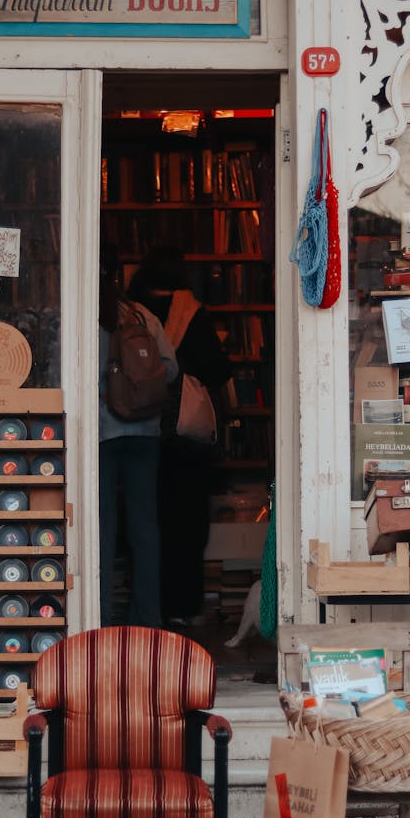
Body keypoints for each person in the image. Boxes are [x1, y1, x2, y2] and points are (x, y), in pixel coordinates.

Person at [127, 246, 232, 627]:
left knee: (144, 519)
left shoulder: (130, 309)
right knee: (188, 524)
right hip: (186, 434)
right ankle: (183, 606)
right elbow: (218, 370)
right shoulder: (192, 313)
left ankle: (144, 608)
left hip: (141, 426)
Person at [98, 242, 178, 628]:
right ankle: (149, 619)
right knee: (145, 528)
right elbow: (171, 371)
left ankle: (95, 618)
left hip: (100, 434)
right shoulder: (143, 317)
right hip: (144, 433)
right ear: (119, 275)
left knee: (102, 528)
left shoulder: (83, 318)